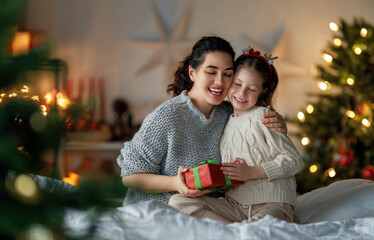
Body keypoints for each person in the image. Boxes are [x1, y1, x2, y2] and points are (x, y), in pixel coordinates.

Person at [117, 36, 287, 205]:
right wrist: (175, 183)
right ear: (192, 73)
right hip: (159, 209)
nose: (220, 81)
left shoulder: (230, 113)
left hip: (211, 210)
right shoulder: (167, 116)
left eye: (227, 74)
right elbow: (130, 177)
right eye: (211, 72)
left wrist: (279, 124)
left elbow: (261, 132)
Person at [168, 48, 303, 224]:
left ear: (263, 91)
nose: (241, 93)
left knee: (257, 228)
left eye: (251, 89)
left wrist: (251, 172)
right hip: (236, 206)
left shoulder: (264, 118)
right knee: (178, 202)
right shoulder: (225, 119)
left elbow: (294, 161)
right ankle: (235, 231)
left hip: (272, 203)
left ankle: (243, 230)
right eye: (237, 84)